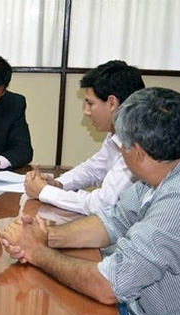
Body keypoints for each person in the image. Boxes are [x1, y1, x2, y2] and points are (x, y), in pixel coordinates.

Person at [1, 87, 180, 315]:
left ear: (137, 152)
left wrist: (37, 252)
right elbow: (112, 221)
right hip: (139, 310)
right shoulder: (157, 176)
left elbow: (107, 286)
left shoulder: (174, 206)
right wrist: (43, 236)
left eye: (122, 145)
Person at [25, 60, 145, 215]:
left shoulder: (138, 142)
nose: (86, 111)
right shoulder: (116, 133)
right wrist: (58, 184)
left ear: (111, 103)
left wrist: (45, 192)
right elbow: (93, 170)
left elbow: (103, 204)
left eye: (90, 103)